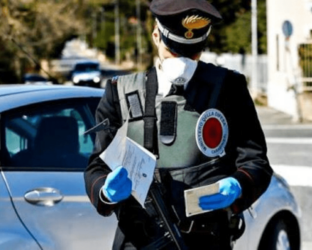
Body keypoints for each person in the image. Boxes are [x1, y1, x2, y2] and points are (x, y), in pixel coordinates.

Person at [84, 0, 273, 249]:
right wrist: (105, 192)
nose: (183, 60)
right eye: (174, 50)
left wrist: (237, 185)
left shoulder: (229, 89)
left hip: (207, 240)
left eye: (191, 52)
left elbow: (256, 162)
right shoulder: (119, 91)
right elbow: (97, 166)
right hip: (139, 240)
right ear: (155, 36)